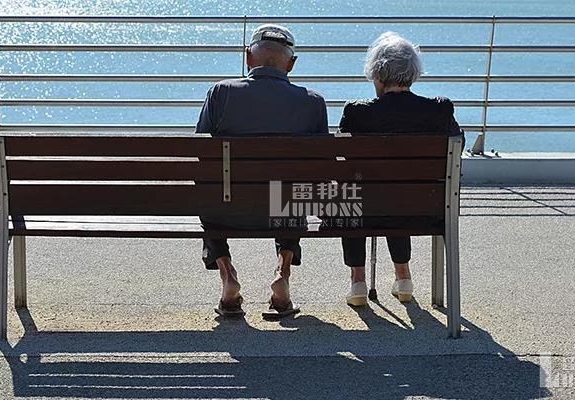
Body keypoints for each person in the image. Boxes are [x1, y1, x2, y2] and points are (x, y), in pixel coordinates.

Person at [195, 24, 329, 318]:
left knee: (209, 194)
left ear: (248, 57)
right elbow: (322, 167)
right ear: (291, 64)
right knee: (293, 196)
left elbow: (201, 155)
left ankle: (228, 275)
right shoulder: (313, 102)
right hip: (283, 210)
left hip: (227, 209)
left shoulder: (220, 93)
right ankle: (282, 274)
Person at [339, 32, 462, 307]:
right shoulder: (439, 110)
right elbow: (458, 146)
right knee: (401, 192)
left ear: (377, 74)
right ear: (413, 73)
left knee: (355, 194)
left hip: (365, 208)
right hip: (426, 208)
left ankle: (358, 281)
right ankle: (403, 276)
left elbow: (343, 164)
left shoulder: (357, 113)